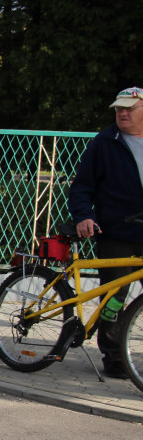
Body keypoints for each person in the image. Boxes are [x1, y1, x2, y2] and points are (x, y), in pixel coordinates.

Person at [69, 86, 143, 379]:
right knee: (115, 296)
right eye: (118, 109)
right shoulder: (105, 142)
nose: (122, 113)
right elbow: (81, 186)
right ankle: (113, 357)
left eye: (129, 109)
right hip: (117, 231)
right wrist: (84, 216)